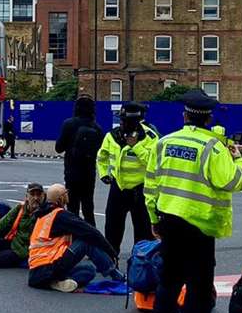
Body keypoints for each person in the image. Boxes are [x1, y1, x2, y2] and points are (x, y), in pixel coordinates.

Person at [144, 88, 242, 313]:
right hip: (200, 229)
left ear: (184, 115)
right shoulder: (213, 147)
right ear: (208, 118)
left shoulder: (164, 143)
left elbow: (151, 185)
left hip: (170, 224)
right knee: (198, 294)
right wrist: (237, 159)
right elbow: (232, 182)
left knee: (167, 287)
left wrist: (155, 217)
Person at [27, 183, 120, 293]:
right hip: (48, 267)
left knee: (89, 271)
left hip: (36, 273)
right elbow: (91, 232)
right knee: (86, 243)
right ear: (60, 198)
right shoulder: (60, 215)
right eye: (65, 194)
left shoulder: (41, 214)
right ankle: (117, 275)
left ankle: (55, 282)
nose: (67, 197)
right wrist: (111, 252)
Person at [97, 101, 158, 256]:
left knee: (143, 230)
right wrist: (103, 173)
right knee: (112, 227)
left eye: (128, 121)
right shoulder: (112, 136)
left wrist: (136, 146)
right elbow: (102, 156)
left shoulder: (150, 137)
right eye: (122, 120)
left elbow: (154, 162)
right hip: (118, 187)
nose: (124, 124)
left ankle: (142, 263)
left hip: (140, 189)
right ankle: (111, 258)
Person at [55, 94, 103, 224]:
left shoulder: (69, 124)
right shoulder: (97, 128)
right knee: (88, 207)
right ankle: (91, 238)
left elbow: (58, 148)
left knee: (73, 207)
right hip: (89, 172)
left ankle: (74, 238)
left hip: (72, 171)